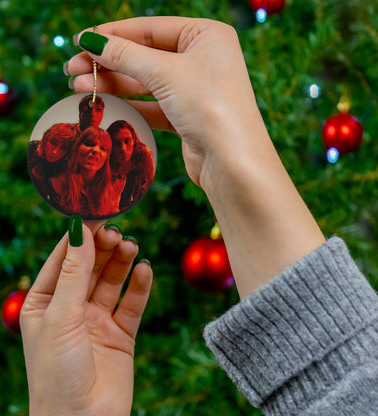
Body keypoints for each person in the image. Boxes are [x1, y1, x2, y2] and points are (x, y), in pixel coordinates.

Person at [20, 16, 378, 416]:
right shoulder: (55, 171)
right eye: (92, 145)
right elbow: (347, 383)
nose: (99, 151)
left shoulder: (116, 181)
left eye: (106, 146)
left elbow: (347, 384)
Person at [51, 125, 119, 219]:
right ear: (76, 148)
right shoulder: (56, 183)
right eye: (89, 144)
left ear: (106, 159)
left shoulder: (111, 191)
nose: (95, 150)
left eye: (103, 148)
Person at [107, 120, 155, 211]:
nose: (123, 149)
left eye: (127, 141)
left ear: (133, 140)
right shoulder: (105, 159)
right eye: (117, 143)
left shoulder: (143, 154)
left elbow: (149, 182)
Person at [28, 122, 77, 207]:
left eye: (63, 148)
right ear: (46, 138)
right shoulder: (31, 149)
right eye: (53, 143)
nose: (54, 152)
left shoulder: (63, 167)